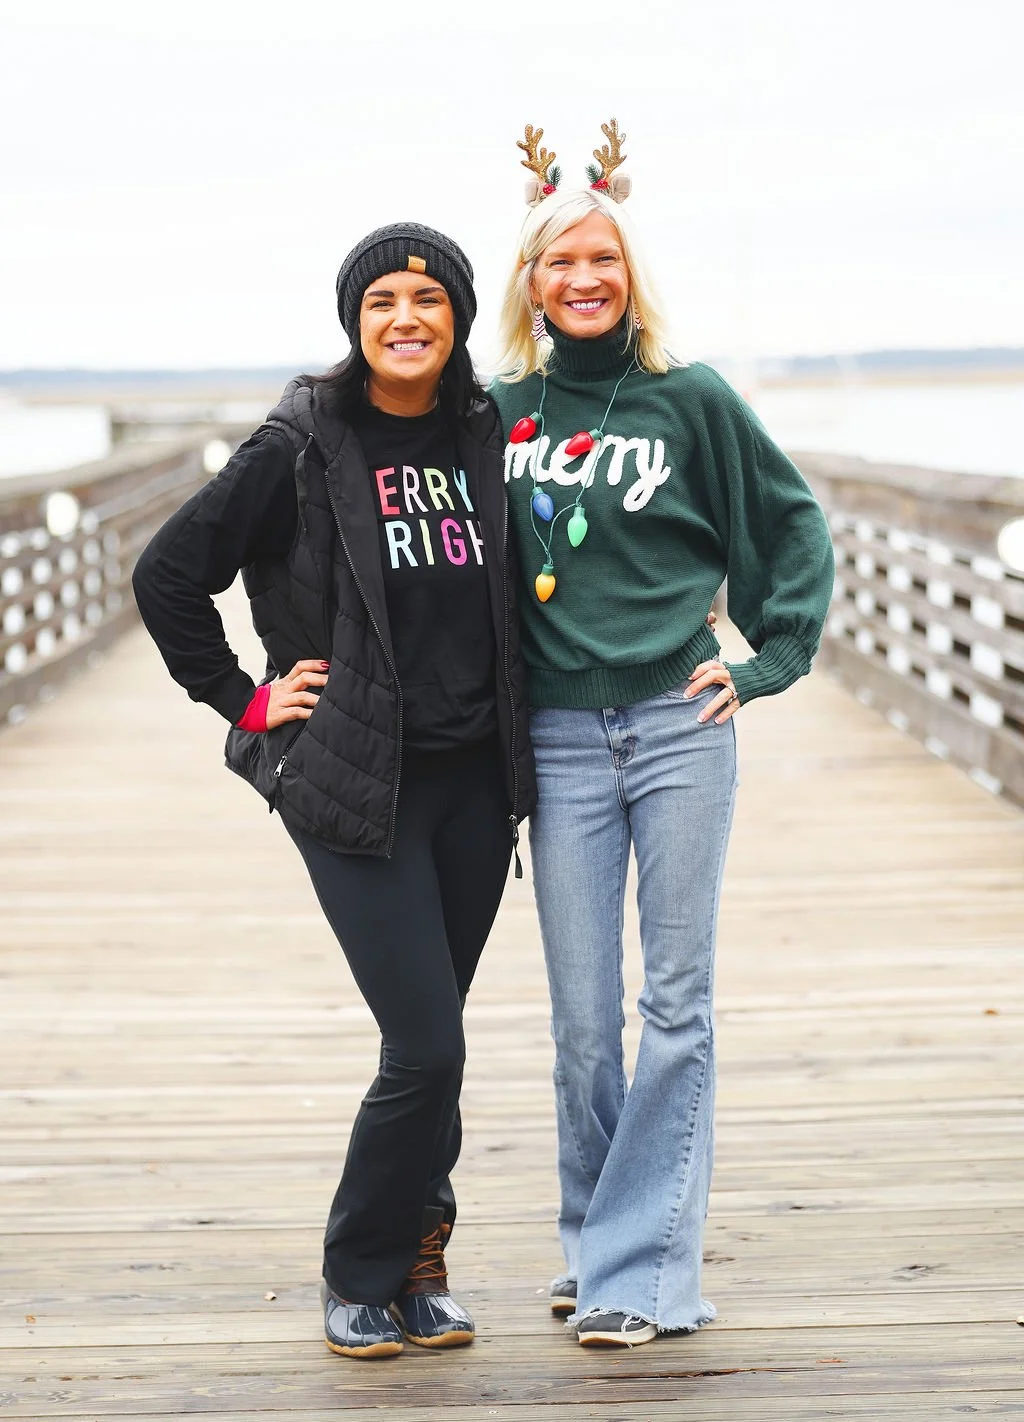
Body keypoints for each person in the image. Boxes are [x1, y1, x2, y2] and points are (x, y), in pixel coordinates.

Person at [132, 223, 536, 1360]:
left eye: (427, 298)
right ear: (355, 322)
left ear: (456, 316)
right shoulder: (303, 440)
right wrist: (244, 700)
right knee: (426, 1048)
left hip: (473, 779)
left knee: (437, 1036)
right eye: (381, 302)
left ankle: (422, 1265)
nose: (405, 317)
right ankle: (359, 1272)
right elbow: (168, 574)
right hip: (355, 779)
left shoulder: (484, 431)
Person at [488, 122, 835, 1348]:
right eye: (558, 262)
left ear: (631, 276)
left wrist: (772, 656)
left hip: (682, 721)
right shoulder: (499, 411)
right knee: (584, 1016)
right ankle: (596, 1242)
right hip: (563, 740)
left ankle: (645, 1275)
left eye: (604, 261)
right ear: (529, 281)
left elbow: (790, 525)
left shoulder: (693, 401)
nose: (583, 280)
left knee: (674, 1002)